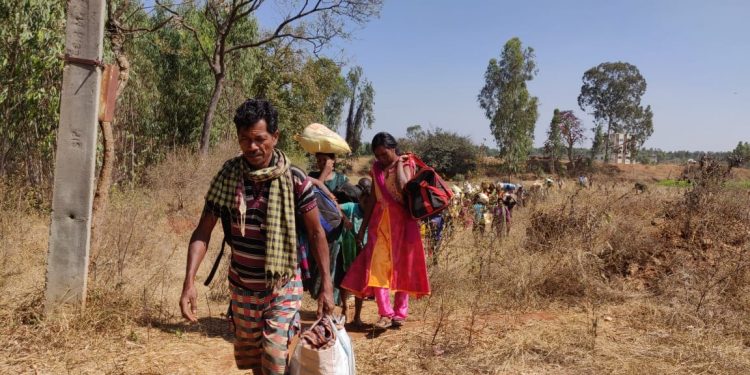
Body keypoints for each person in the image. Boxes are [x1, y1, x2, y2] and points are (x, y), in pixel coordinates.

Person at [179, 99, 334, 375]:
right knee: (254, 362)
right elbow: (203, 231)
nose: (252, 147)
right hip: (242, 287)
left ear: (275, 137)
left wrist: (326, 286)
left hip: (282, 286)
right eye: (244, 139)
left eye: (260, 139)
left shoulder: (295, 180)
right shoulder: (228, 176)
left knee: (274, 356)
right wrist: (189, 282)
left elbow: (315, 232)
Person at [341, 132, 430, 329]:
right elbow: (373, 198)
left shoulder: (407, 164)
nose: (381, 159)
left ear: (393, 149)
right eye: (377, 155)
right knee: (377, 267)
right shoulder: (376, 169)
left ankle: (400, 313)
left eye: (384, 154)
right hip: (379, 224)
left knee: (403, 267)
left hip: (404, 223)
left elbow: (403, 187)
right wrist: (362, 228)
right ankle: (385, 313)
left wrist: (398, 164)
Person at [306, 152, 352, 310]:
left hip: (334, 231)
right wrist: (323, 175)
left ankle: (326, 305)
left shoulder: (342, 179)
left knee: (331, 267)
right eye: (318, 160)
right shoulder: (312, 176)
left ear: (333, 161)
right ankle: (321, 300)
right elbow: (310, 193)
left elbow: (348, 204)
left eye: (324, 160)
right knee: (316, 267)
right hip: (315, 229)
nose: (321, 163)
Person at [338, 177, 372, 326]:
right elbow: (335, 206)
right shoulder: (351, 207)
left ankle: (357, 317)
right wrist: (345, 220)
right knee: (344, 283)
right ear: (361, 198)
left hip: (363, 253)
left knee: (360, 286)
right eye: (366, 202)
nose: (367, 206)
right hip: (347, 251)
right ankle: (344, 308)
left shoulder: (373, 214)